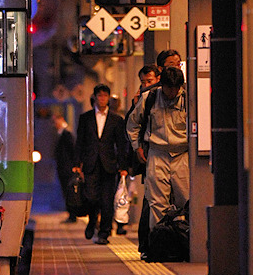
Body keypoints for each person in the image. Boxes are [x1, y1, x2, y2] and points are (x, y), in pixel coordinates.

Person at [126, 65, 188, 234]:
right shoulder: (149, 98)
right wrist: (137, 147)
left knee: (187, 199)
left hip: (183, 154)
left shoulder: (189, 100)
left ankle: (185, 241)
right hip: (157, 154)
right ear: (162, 85)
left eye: (177, 88)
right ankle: (159, 243)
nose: (173, 92)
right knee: (157, 203)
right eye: (169, 88)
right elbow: (132, 125)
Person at [74, 84, 129, 244]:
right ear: (95, 98)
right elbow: (80, 142)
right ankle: (92, 221)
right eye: (100, 96)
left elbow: (120, 144)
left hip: (109, 165)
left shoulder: (116, 120)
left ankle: (104, 232)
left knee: (106, 200)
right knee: (91, 197)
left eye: (105, 96)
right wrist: (78, 163)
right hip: (91, 164)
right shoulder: (85, 118)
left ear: (108, 99)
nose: (102, 99)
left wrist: (123, 167)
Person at [51, 112, 77, 222]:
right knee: (66, 191)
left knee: (68, 191)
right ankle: (70, 214)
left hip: (67, 168)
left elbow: (72, 150)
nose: (54, 124)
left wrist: (73, 165)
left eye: (55, 121)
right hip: (64, 168)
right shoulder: (62, 133)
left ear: (60, 119)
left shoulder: (66, 133)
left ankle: (72, 215)